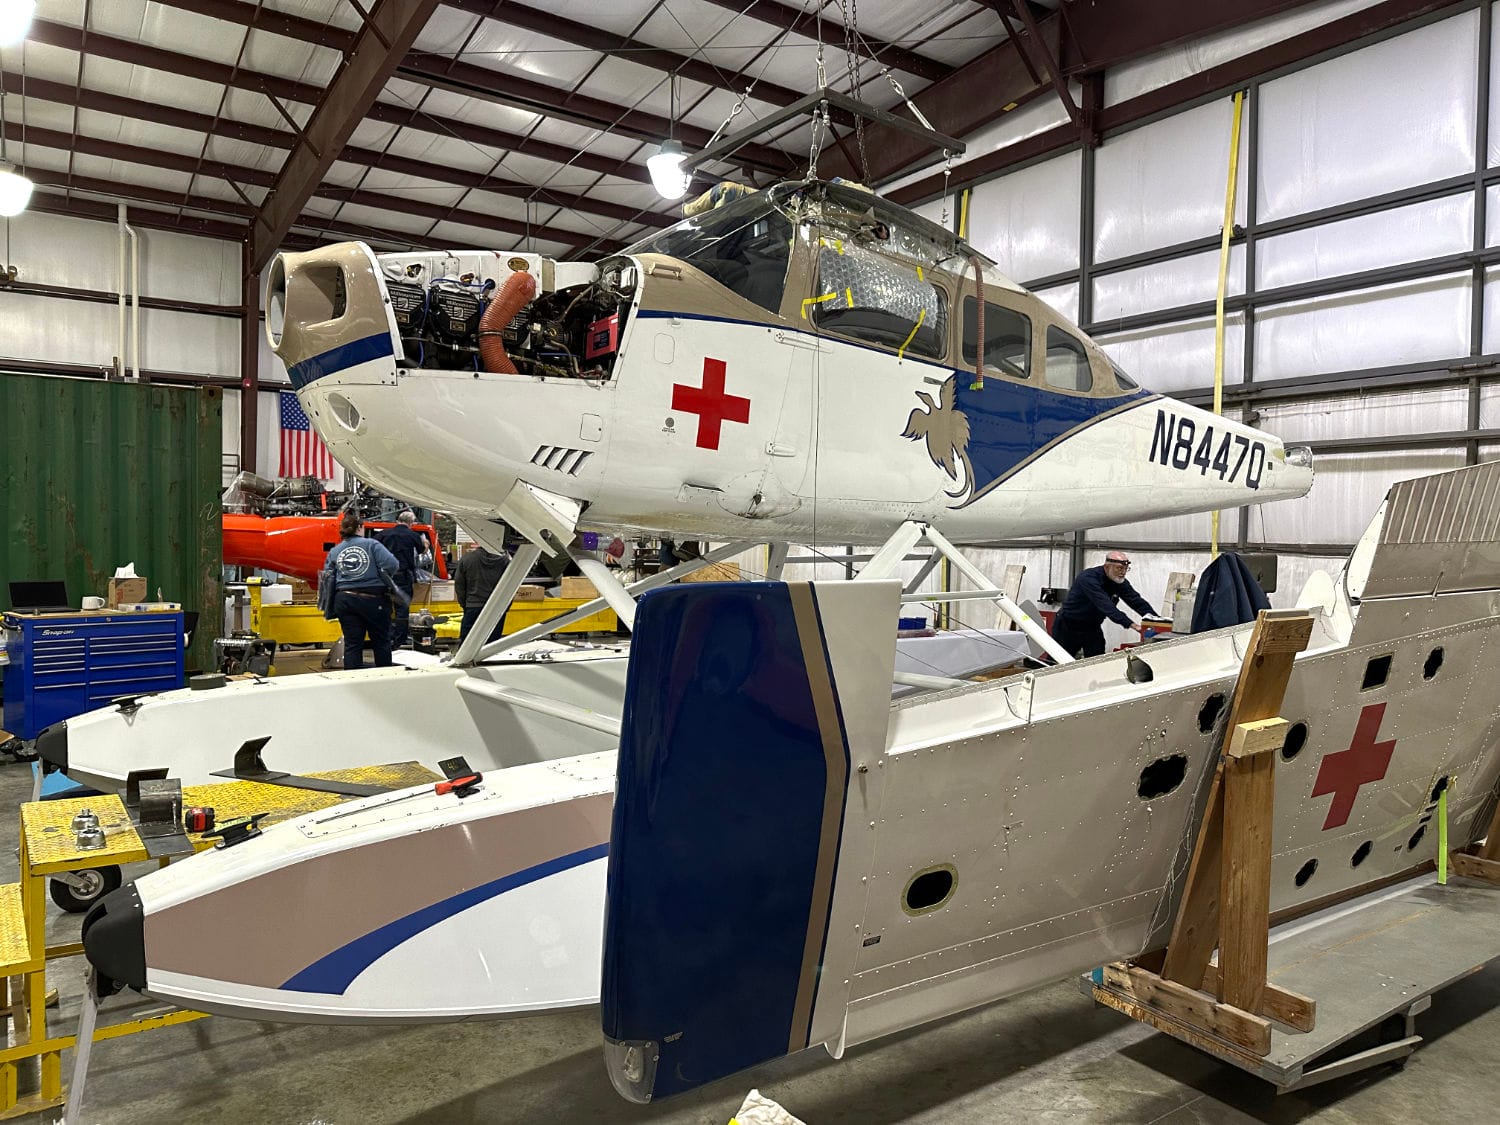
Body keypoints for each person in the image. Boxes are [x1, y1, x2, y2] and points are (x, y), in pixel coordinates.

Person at [1049, 550, 1159, 659]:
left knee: (1097, 662)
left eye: (1126, 569)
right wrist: (1133, 625)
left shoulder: (1119, 581)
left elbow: (1136, 601)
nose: (1123, 572)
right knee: (1057, 661)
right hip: (1068, 627)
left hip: (1092, 627)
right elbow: (1106, 605)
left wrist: (1157, 620)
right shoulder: (1088, 579)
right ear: (1107, 567)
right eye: (1119, 568)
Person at [325, 510, 399, 669]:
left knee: (352, 643)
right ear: (360, 527)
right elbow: (392, 564)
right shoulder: (372, 545)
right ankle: (385, 677)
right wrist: (381, 575)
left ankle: (352, 676)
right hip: (373, 598)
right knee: (381, 641)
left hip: (344, 599)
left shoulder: (335, 551)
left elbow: (328, 576)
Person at [377, 510, 425, 648]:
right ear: (410, 523)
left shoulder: (383, 534)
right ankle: (399, 640)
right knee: (402, 609)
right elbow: (421, 550)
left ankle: (387, 637)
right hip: (403, 576)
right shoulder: (413, 535)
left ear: (398, 520)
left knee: (386, 607)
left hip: (385, 577)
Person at [455, 545, 511, 643]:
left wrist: (465, 605)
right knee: (491, 645)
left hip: (473, 606)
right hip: (496, 608)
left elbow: (459, 585)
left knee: (467, 643)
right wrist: (505, 607)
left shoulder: (467, 559)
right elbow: (511, 585)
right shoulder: (504, 562)